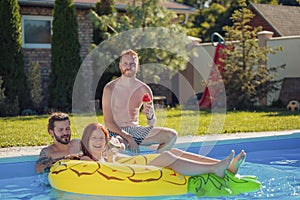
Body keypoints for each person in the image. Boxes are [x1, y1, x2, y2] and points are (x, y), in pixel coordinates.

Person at [80, 123, 247, 178]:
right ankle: (214, 169)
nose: (97, 142)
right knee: (167, 156)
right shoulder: (85, 160)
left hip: (133, 168)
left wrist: (115, 150)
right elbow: (100, 170)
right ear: (86, 141)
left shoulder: (106, 152)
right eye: (93, 138)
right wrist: (110, 157)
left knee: (174, 153)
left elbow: (117, 153)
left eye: (101, 138)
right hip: (133, 175)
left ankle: (222, 164)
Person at [102, 49, 177, 154]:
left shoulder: (144, 89)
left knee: (171, 135)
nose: (128, 67)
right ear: (120, 66)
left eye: (132, 64)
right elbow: (108, 122)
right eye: (125, 63)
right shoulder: (110, 88)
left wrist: (150, 116)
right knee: (117, 146)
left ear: (138, 66)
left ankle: (154, 162)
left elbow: (152, 123)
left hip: (135, 131)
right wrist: (129, 138)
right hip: (115, 131)